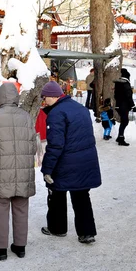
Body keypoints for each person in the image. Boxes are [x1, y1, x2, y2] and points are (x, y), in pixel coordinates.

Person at [0, 83, 37, 260]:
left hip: (1, 171)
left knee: (1, 209)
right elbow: (33, 144)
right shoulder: (26, 116)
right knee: (21, 209)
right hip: (23, 171)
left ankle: (1, 249)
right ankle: (20, 246)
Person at [39, 81, 101, 244]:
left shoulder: (56, 113)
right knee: (81, 195)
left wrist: (47, 169)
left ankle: (57, 228)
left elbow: (55, 145)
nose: (44, 101)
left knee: (56, 192)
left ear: (53, 96)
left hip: (65, 162)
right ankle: (87, 232)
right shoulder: (80, 109)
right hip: (85, 160)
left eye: (45, 97)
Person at [113, 68, 136, 146]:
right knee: (125, 122)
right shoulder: (126, 84)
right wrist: (133, 106)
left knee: (123, 121)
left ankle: (120, 136)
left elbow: (116, 96)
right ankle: (121, 138)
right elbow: (129, 96)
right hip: (124, 106)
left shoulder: (118, 84)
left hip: (118, 105)